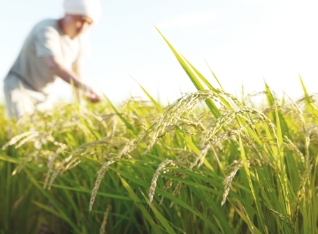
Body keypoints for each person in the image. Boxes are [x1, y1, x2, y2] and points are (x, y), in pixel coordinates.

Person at [3, 0, 103, 119]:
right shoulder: (47, 28)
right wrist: (85, 87)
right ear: (68, 13)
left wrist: (79, 107)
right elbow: (54, 65)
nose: (83, 27)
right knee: (22, 128)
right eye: (81, 20)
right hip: (20, 86)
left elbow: (77, 74)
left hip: (45, 94)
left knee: (43, 132)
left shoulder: (81, 40)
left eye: (89, 23)